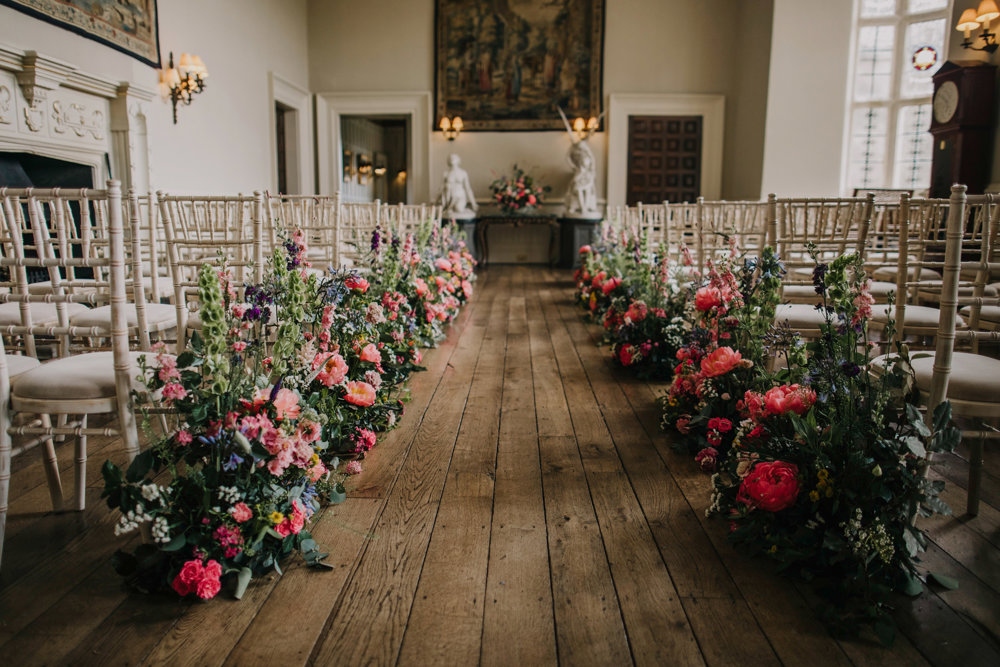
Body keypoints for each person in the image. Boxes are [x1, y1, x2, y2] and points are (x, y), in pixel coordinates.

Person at [438, 153, 478, 220]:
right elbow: (441, 189)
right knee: (449, 213)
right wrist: (435, 203)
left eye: (454, 157)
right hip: (449, 198)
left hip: (460, 196)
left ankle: (465, 209)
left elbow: (468, 189)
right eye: (450, 158)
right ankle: (449, 208)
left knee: (459, 209)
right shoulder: (446, 173)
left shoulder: (463, 173)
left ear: (458, 160)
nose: (452, 159)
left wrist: (473, 203)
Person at [565, 141, 598, 218]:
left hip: (587, 179)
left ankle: (585, 208)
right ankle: (583, 207)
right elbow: (568, 158)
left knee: (587, 190)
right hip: (580, 178)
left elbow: (593, 163)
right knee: (578, 190)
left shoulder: (589, 157)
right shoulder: (578, 164)